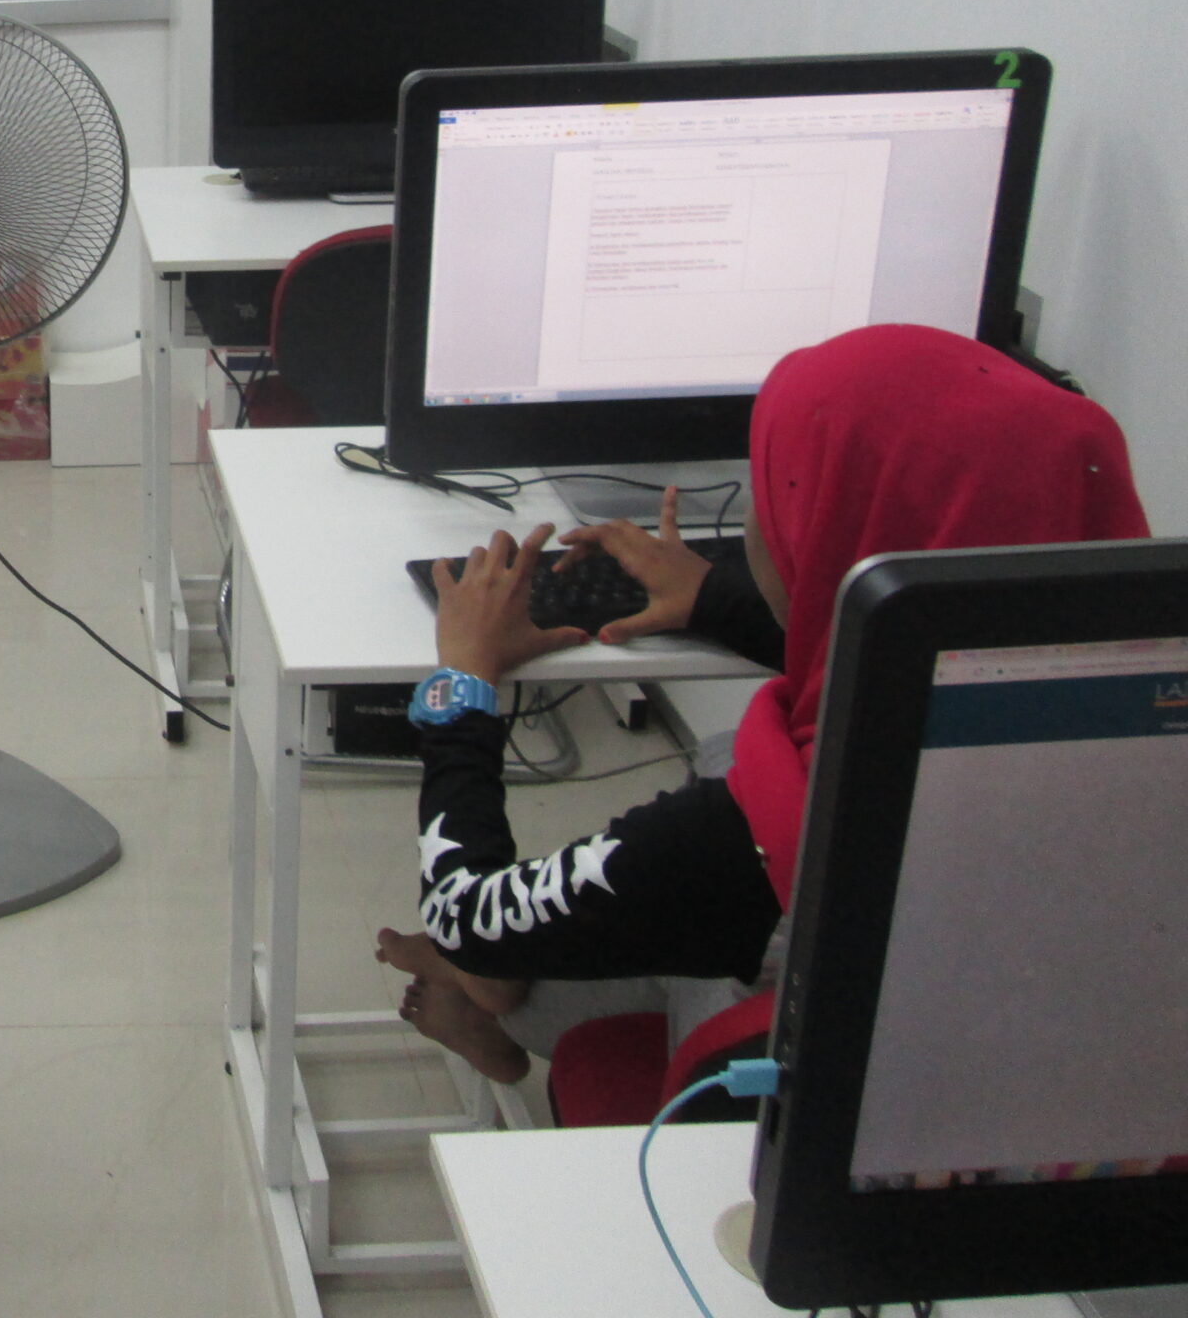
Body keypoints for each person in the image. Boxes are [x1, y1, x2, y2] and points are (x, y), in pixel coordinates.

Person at [374, 323, 1148, 1086]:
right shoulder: (1129, 713)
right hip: (1042, 1059)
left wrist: (463, 683)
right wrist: (714, 598)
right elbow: (900, 644)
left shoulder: (754, 835)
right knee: (723, 758)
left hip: (814, 1077)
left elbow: (465, 915)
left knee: (498, 964)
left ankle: (477, 1002)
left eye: (779, 493)